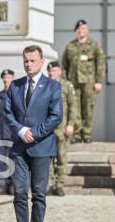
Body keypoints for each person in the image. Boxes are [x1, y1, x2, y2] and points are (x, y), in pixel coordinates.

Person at [3, 45, 63, 222]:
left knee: (38, 194)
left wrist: (34, 133)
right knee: (19, 192)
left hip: (42, 147)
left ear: (41, 61)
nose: (29, 64)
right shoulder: (15, 85)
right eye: (26, 61)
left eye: (32, 60)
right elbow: (7, 113)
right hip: (19, 147)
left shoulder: (53, 87)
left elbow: (56, 117)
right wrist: (21, 131)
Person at [61, 19, 106, 144]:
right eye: (79, 29)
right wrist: (65, 81)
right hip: (74, 82)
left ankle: (86, 133)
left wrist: (98, 81)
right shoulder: (70, 46)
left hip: (89, 82)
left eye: (83, 28)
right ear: (76, 31)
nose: (81, 31)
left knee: (87, 108)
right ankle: (76, 134)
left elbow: (101, 64)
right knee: (75, 108)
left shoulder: (94, 45)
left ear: (87, 30)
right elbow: (64, 65)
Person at [47, 61, 79, 197]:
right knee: (47, 158)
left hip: (62, 128)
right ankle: (48, 185)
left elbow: (73, 106)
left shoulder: (66, 85)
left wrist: (71, 124)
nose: (51, 73)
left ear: (59, 71)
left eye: (53, 70)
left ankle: (59, 185)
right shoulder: (43, 86)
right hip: (47, 129)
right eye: (49, 71)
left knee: (61, 158)